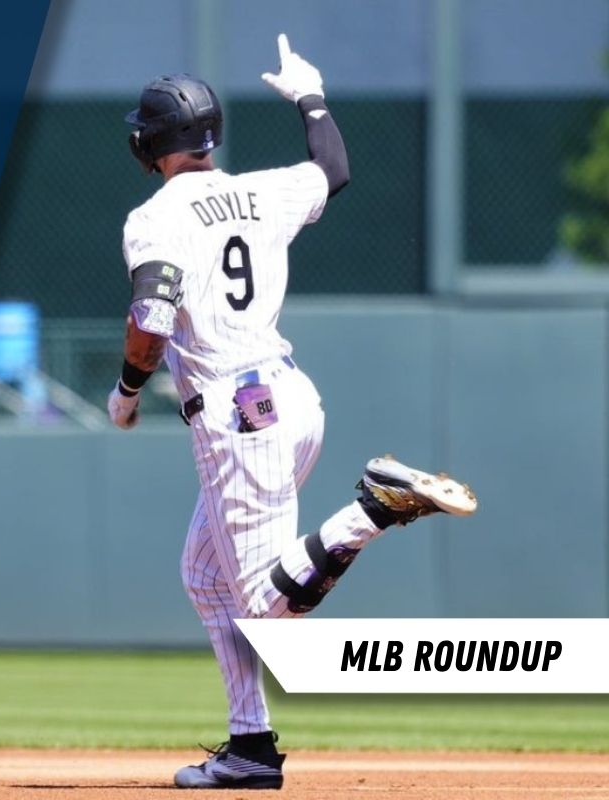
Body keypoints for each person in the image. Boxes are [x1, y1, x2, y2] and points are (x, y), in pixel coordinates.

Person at [107, 35, 477, 790]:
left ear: (149, 144)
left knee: (270, 607)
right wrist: (310, 94)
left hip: (237, 416)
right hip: (290, 397)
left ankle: (374, 509)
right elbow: (333, 170)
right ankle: (251, 748)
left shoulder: (154, 217)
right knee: (206, 578)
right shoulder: (264, 190)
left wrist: (126, 390)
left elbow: (150, 315)